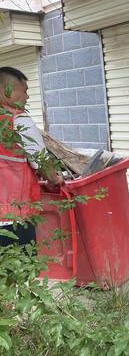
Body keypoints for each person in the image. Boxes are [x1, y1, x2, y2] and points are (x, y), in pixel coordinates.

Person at [0, 67, 62, 247]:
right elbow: (42, 161)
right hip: (12, 217)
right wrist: (53, 179)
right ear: (7, 91)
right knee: (20, 271)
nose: (27, 97)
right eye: (25, 91)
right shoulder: (18, 121)